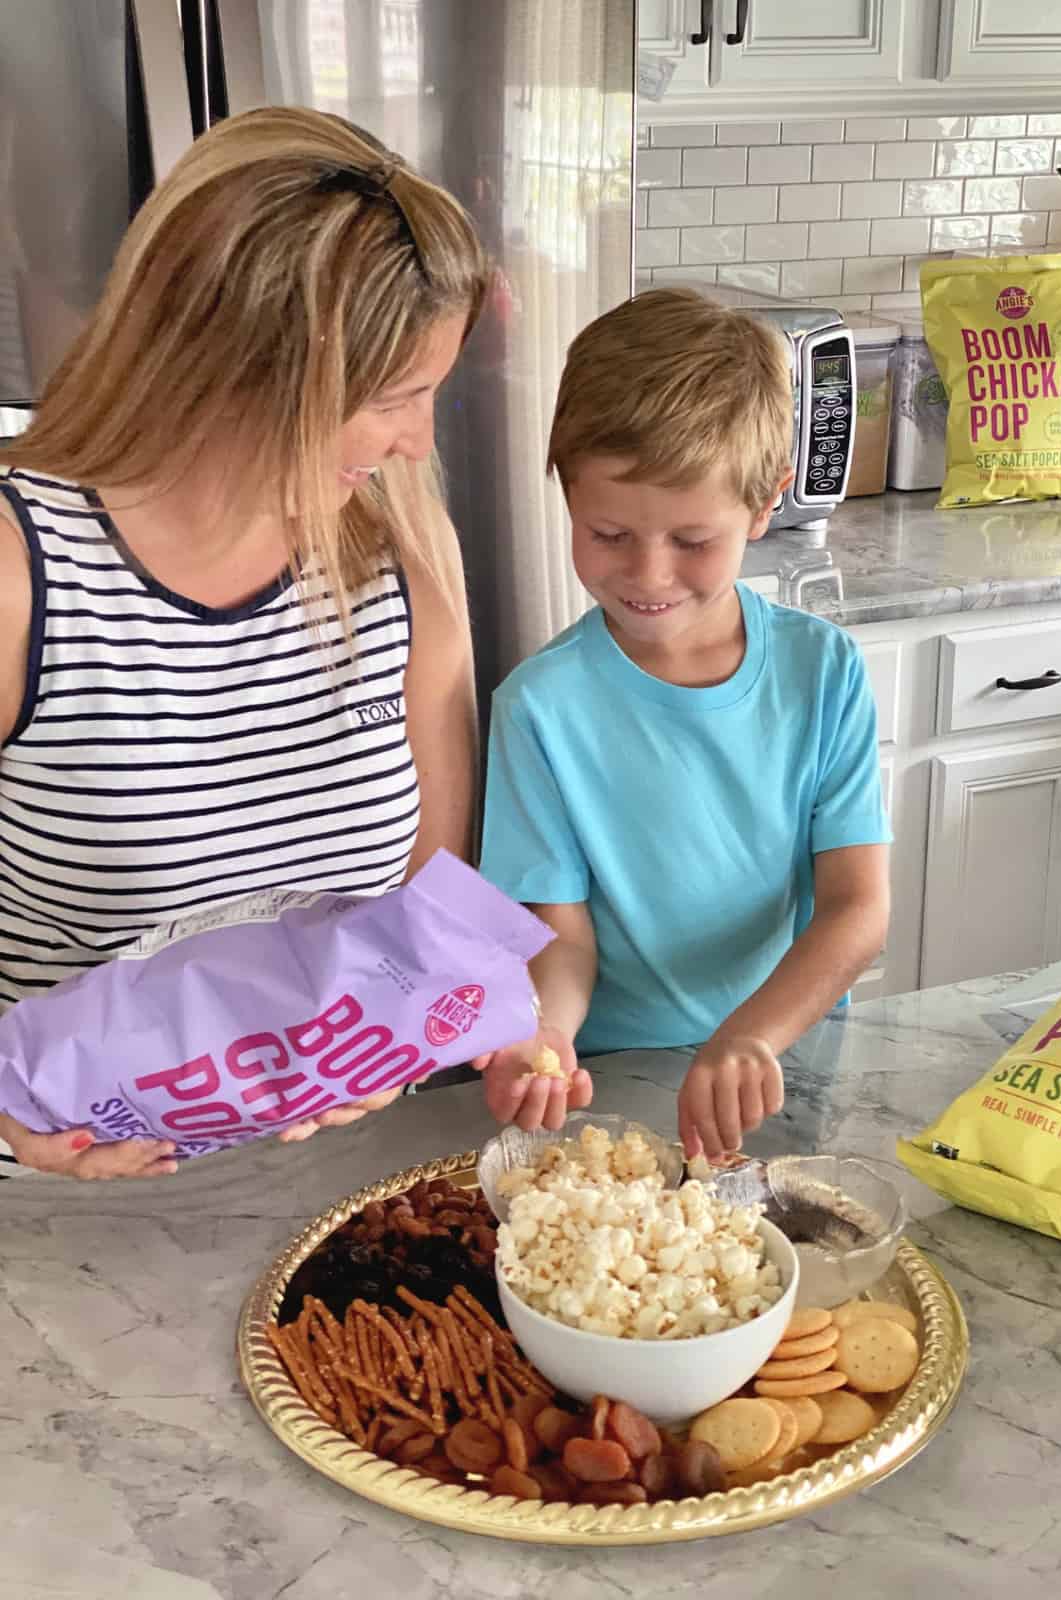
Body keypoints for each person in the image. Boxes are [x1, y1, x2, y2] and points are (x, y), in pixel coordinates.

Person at [0, 106, 502, 1179]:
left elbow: (427, 909)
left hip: (321, 1195)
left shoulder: (403, 555)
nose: (418, 438)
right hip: (56, 1227)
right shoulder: (22, 580)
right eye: (392, 398)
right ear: (243, 371)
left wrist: (399, 1047)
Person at [476, 287, 892, 1161]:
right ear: (566, 496)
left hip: (783, 1058)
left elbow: (856, 907)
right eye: (609, 532)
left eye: (693, 541)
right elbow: (561, 935)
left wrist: (750, 1035)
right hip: (618, 1083)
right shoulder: (540, 708)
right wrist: (541, 1037)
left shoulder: (823, 673)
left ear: (766, 504)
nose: (648, 573)